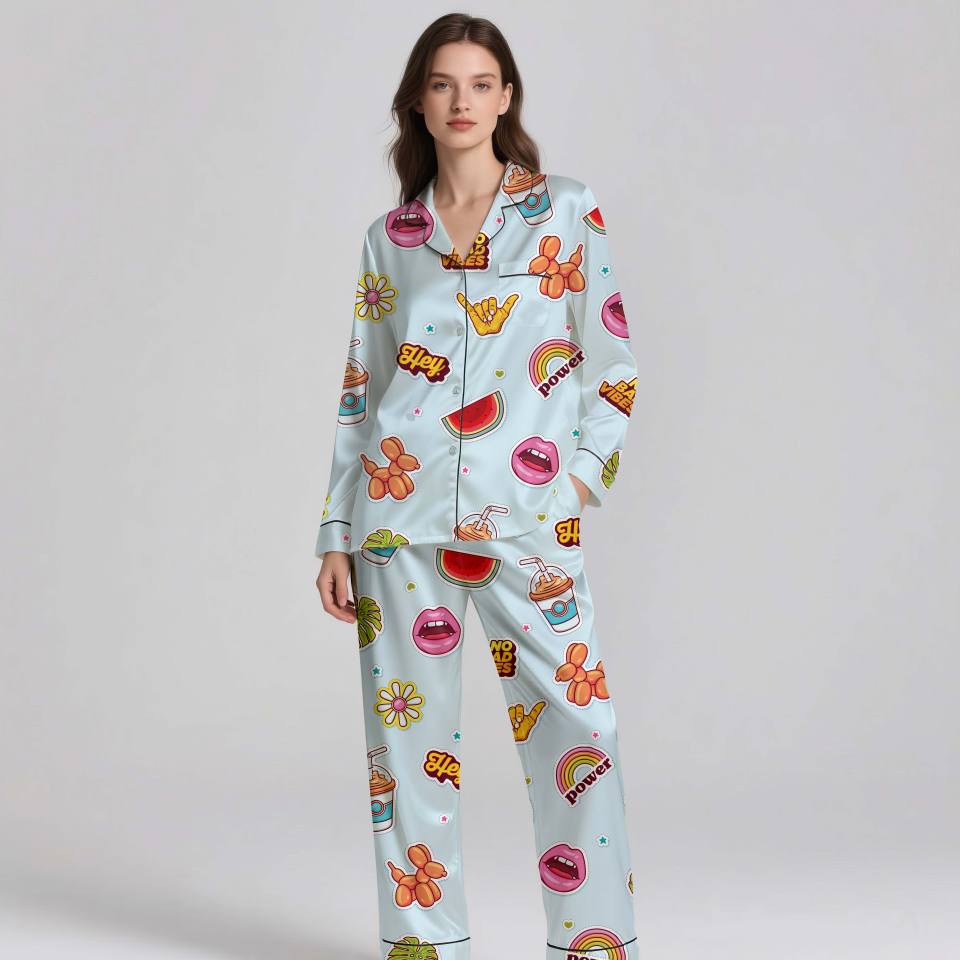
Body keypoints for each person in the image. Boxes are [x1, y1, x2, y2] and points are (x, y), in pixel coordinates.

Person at [314, 13, 639, 960]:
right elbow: (363, 392)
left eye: (481, 83)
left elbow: (611, 364)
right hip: (398, 522)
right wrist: (335, 531)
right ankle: (427, 949)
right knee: (407, 759)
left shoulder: (565, 211)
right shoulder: (392, 237)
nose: (462, 100)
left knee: (581, 729)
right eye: (443, 83)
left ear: (506, 99)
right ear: (418, 102)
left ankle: (593, 946)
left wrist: (573, 488)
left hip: (528, 520)